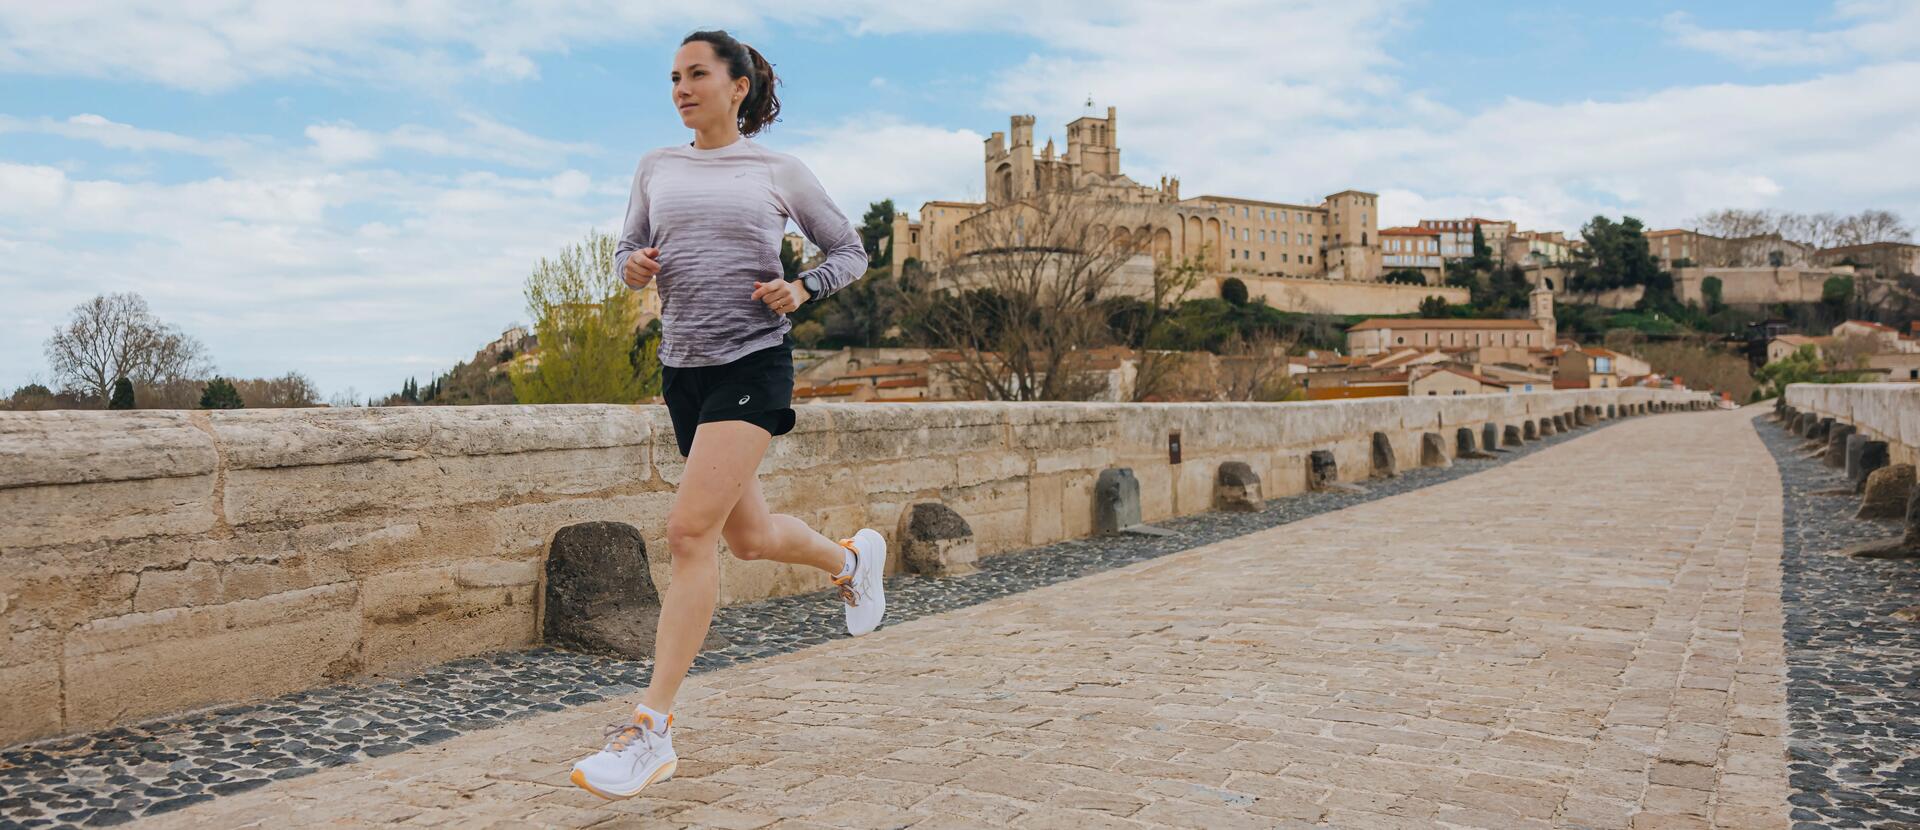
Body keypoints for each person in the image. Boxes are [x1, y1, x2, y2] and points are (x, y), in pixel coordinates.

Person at [569, 29, 884, 801]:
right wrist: (632, 266)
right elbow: (626, 253)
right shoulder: (656, 166)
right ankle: (851, 563)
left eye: (697, 74)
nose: (681, 88)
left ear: (738, 86)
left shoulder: (778, 171)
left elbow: (850, 251)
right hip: (683, 371)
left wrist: (802, 289)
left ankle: (650, 731)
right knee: (748, 537)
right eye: (674, 77)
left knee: (688, 533)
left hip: (753, 363)